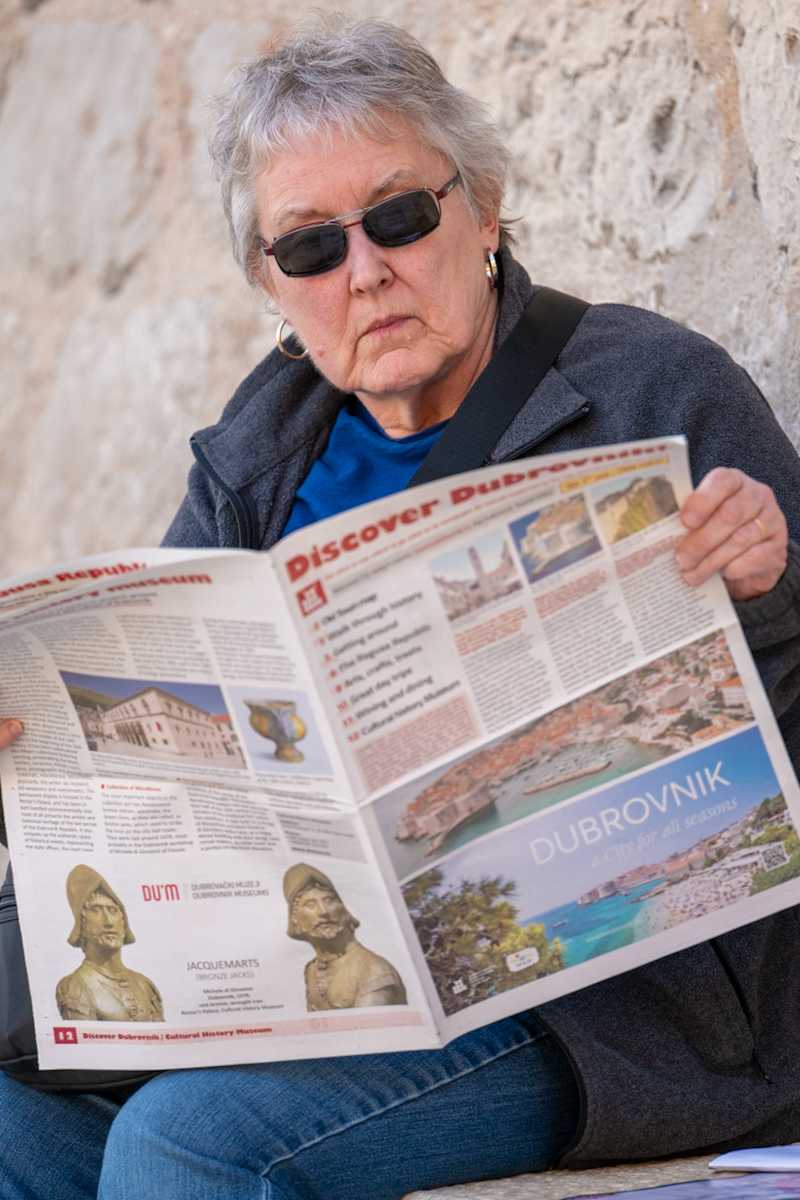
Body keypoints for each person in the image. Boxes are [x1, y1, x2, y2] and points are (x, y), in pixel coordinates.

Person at [2, 14, 800, 1199]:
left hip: (600, 1000)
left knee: (190, 1142)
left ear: (482, 211)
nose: (364, 272)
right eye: (309, 246)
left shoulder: (650, 390)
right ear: (268, 281)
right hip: (318, 983)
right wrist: (39, 759)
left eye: (398, 218)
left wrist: (767, 588)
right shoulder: (257, 455)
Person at [283, 862, 408, 1010]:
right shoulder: (311, 970)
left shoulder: (373, 969)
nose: (323, 911)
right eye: (310, 905)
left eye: (329, 901)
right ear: (295, 919)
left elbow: (367, 1024)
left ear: (343, 909)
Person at [56, 865, 164, 1024]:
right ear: (82, 924)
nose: (108, 922)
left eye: (113, 910)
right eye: (96, 910)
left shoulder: (145, 985)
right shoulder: (74, 986)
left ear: (123, 922)